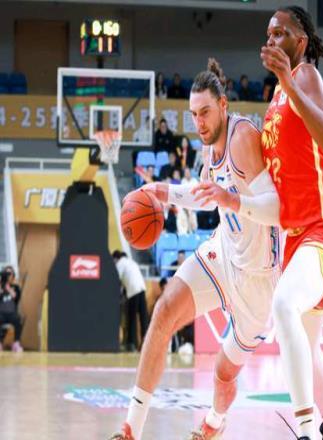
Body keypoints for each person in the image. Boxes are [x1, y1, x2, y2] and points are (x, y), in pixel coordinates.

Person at [109, 59, 282, 440]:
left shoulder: (241, 138)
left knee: (223, 375)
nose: (199, 122)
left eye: (205, 112)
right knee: (163, 311)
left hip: (259, 280)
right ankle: (130, 429)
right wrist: (161, 191)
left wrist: (231, 200)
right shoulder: (208, 149)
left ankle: (214, 424)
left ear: (223, 105)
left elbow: (276, 209)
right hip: (224, 253)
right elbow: (205, 196)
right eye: (193, 114)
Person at [258, 6, 323, 439]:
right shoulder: (275, 100)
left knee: (284, 306)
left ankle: (307, 430)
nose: (271, 39)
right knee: (307, 342)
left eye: (280, 33)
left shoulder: (305, 77)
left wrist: (288, 81)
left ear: (299, 42)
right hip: (294, 236)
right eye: (268, 33)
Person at [113, 251, 149, 352]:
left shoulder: (120, 263)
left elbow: (116, 279)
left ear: (116, 258)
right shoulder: (132, 262)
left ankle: (131, 343)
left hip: (133, 291)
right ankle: (146, 344)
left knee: (132, 318)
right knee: (143, 318)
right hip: (142, 289)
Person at [0, 269, 23, 352]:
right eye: (6, 274)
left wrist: (8, 288)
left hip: (12, 313)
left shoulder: (15, 287)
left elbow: (15, 297)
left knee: (18, 320)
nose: (8, 276)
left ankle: (16, 343)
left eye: (10, 274)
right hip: (1, 313)